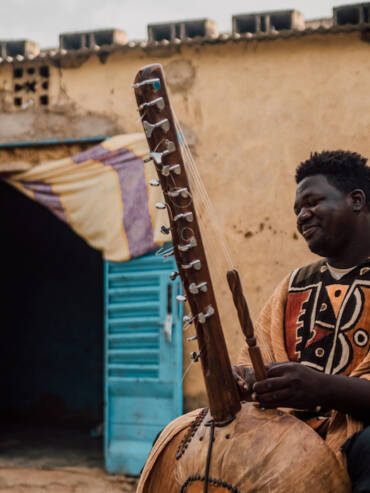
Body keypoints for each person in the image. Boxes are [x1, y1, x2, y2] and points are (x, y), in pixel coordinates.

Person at [233, 150, 370, 493]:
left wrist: (322, 387)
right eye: (297, 210)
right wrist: (251, 380)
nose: (302, 215)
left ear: (356, 200)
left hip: (358, 444)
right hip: (287, 435)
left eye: (312, 202)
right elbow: (252, 360)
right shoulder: (294, 284)